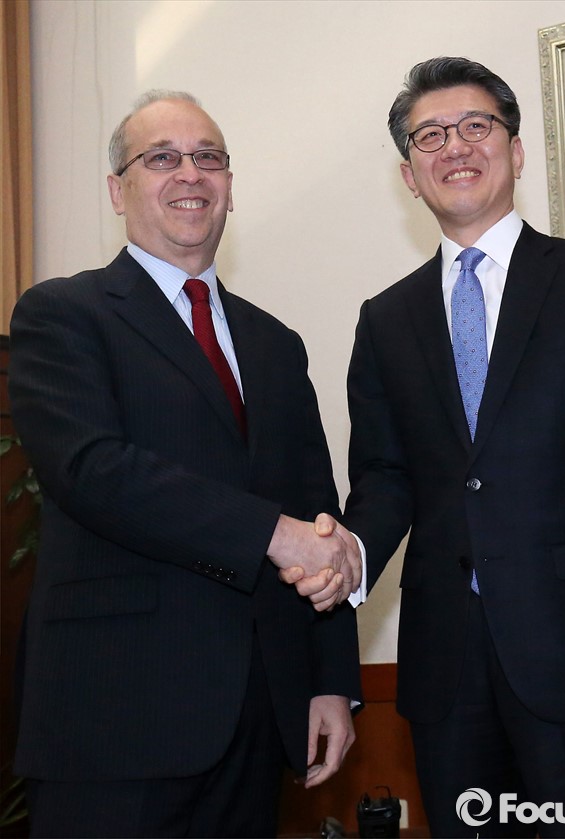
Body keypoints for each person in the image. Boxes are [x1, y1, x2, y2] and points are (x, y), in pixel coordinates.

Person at [339, 57, 565, 838]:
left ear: (516, 149)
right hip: (445, 670)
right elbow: (385, 477)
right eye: (430, 136)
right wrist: (348, 554)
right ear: (409, 175)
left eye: (476, 126)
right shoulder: (385, 319)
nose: (454, 146)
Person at [9, 90, 361, 838]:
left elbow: (317, 511)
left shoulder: (275, 343)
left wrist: (330, 682)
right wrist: (275, 535)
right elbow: (93, 470)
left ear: (229, 185)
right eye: (162, 158)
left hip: (258, 720)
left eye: (209, 157)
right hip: (114, 720)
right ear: (118, 189)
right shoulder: (62, 314)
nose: (190, 173)